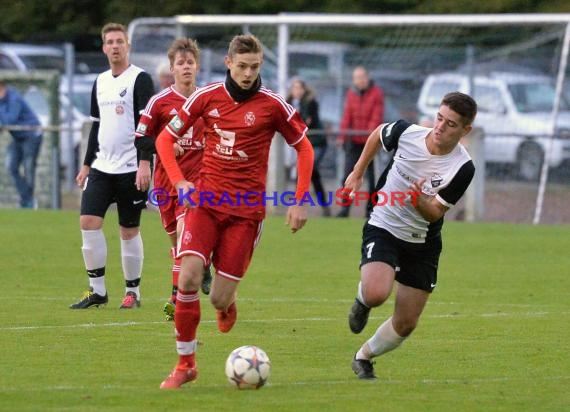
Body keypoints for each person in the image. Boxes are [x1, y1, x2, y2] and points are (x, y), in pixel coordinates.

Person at [154, 34, 314, 389]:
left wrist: (300, 198)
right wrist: (180, 181)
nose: (247, 73)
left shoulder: (273, 105)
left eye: (254, 67)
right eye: (241, 66)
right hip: (204, 203)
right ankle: (186, 364)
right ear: (228, 62)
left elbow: (304, 148)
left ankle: (227, 305)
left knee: (218, 297)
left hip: (245, 213)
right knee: (188, 277)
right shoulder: (205, 97)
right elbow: (164, 139)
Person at [343, 91, 477, 379]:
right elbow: (378, 134)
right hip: (384, 225)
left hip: (422, 242)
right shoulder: (408, 133)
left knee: (406, 324)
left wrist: (418, 200)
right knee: (377, 293)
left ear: (466, 130)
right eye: (439, 118)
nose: (440, 127)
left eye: (450, 124)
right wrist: (357, 172)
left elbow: (434, 214)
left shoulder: (463, 168)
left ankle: (363, 356)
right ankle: (363, 300)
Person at [69, 23, 155, 309]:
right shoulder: (100, 81)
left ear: (127, 45)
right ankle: (98, 291)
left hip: (132, 168)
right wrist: (86, 164)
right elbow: (97, 127)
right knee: (88, 223)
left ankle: (133, 292)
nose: (115, 46)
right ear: (104, 47)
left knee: (128, 230)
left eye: (120, 41)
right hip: (102, 167)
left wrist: (145, 163)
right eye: (110, 42)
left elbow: (147, 126)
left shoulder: (140, 79)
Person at [134, 38, 212, 322]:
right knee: (176, 241)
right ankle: (201, 267)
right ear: (172, 69)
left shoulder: (206, 99)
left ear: (197, 66)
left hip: (197, 179)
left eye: (190, 62)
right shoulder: (159, 102)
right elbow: (142, 137)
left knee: (183, 235)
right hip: (165, 180)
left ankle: (176, 298)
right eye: (181, 63)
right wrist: (163, 146)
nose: (186, 67)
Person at [337, 66, 384, 218]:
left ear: (367, 77)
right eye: (356, 78)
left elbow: (376, 117)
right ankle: (344, 209)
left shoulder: (377, 93)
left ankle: (370, 211)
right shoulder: (351, 94)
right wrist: (342, 137)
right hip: (354, 142)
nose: (359, 80)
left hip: (370, 143)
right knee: (347, 176)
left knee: (372, 179)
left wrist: (370, 138)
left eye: (362, 77)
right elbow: (347, 116)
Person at [286, 78, 331, 217]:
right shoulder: (289, 103)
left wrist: (296, 123)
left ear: (304, 90)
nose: (297, 91)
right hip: (303, 143)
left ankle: (298, 203)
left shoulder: (310, 103)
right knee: (313, 174)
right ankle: (323, 206)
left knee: (307, 168)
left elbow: (305, 122)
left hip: (317, 142)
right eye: (294, 88)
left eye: (299, 88)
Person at [0, 80, 43, 209]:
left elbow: (9, 120)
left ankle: (29, 202)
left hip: (31, 135)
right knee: (10, 166)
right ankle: (27, 198)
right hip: (18, 137)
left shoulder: (14, 98)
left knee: (28, 168)